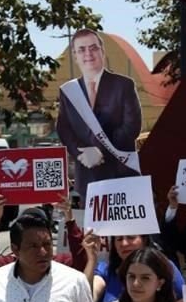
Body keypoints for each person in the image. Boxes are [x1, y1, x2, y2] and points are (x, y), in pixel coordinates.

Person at [56, 29, 143, 195]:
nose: (88, 53)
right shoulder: (68, 91)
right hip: (87, 181)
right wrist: (80, 154)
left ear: (102, 51)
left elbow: (132, 126)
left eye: (93, 48)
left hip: (121, 176)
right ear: (75, 56)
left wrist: (99, 151)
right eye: (81, 50)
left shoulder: (124, 85)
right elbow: (64, 129)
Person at [0, 194, 87, 275]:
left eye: (47, 244)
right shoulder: (8, 267)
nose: (43, 252)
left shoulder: (59, 265)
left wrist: (70, 220)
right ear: (15, 250)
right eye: (33, 246)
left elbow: (81, 262)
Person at [93, 233, 185, 302]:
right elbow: (88, 297)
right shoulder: (105, 270)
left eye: (131, 237)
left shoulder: (166, 267)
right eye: (119, 239)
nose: (124, 243)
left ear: (144, 240)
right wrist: (91, 258)